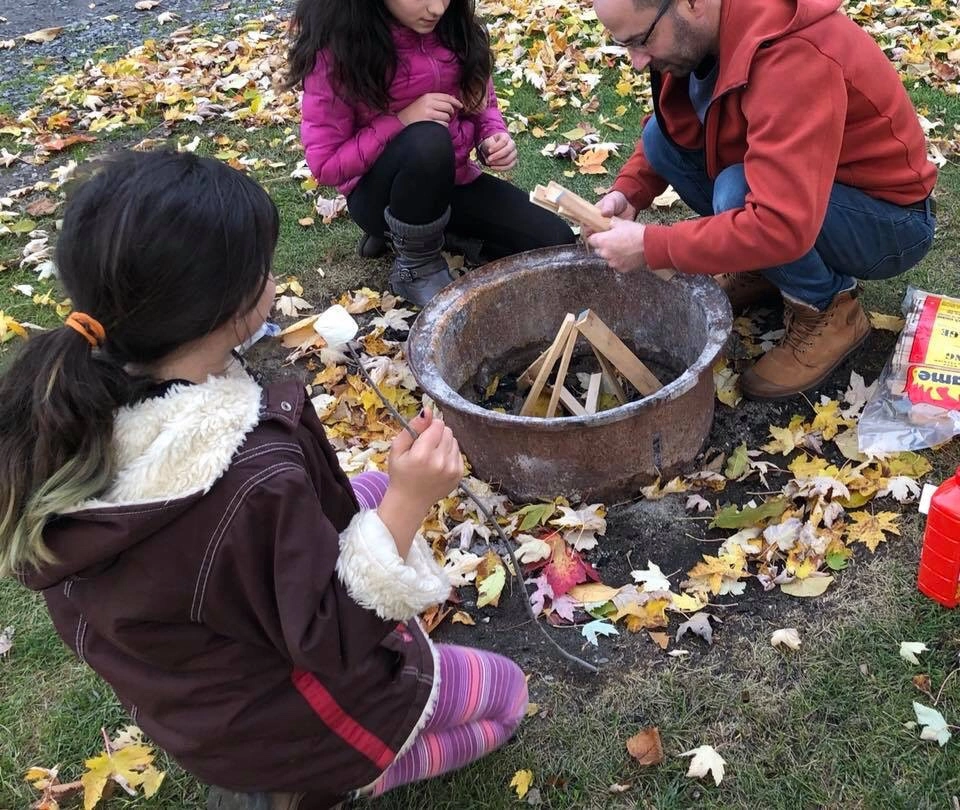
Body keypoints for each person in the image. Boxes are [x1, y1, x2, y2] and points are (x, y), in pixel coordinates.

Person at [0, 151, 528, 810]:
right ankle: (336, 778)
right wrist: (412, 499)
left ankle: (296, 767)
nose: (272, 278)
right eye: (263, 269)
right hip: (304, 709)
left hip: (204, 712)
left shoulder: (69, 420)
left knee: (367, 496)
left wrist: (380, 490)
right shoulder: (247, 481)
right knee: (506, 699)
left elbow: (248, 546)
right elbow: (333, 632)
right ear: (231, 307)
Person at [588, 0, 937, 400]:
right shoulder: (699, 35)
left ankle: (830, 307)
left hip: (889, 222)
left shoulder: (793, 56)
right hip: (807, 192)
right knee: (658, 142)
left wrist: (651, 246)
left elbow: (779, 223)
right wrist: (627, 189)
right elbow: (674, 128)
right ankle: (768, 267)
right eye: (624, 46)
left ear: (690, 4)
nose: (636, 61)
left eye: (641, 41)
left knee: (737, 192)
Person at [286, 0, 576, 306]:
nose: (437, 8)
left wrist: (492, 136)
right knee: (428, 140)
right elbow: (326, 165)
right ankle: (416, 268)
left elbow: (481, 100)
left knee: (555, 242)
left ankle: (425, 238)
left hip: (454, 181)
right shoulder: (338, 50)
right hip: (381, 196)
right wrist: (400, 121)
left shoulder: (453, 26)